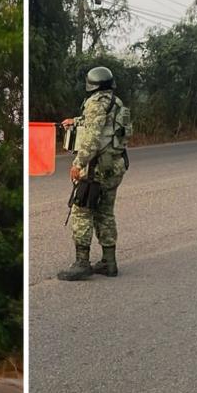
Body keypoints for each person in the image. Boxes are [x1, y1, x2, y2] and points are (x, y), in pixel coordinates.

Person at [58, 66, 130, 281]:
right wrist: (76, 121)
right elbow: (102, 127)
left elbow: (93, 137)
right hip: (115, 165)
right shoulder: (116, 103)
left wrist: (78, 163)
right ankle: (109, 262)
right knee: (105, 212)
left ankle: (82, 263)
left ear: (91, 84)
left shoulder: (95, 102)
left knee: (82, 210)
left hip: (96, 168)